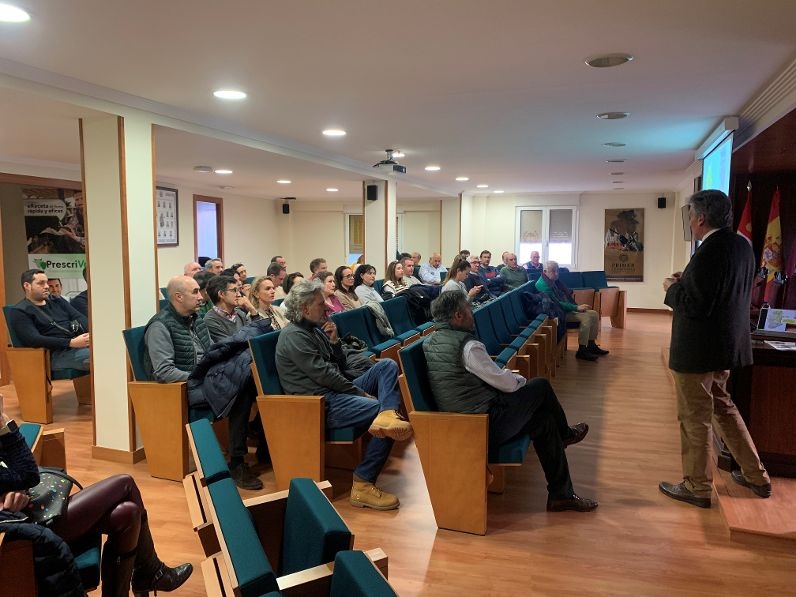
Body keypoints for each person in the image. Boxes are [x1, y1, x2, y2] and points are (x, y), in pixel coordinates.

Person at [423, 291, 597, 512]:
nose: (472, 314)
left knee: (544, 421)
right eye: (469, 309)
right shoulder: (467, 346)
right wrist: (518, 378)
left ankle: (560, 495)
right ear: (458, 315)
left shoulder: (431, 341)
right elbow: (504, 383)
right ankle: (565, 435)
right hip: (481, 424)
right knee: (540, 386)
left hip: (463, 422)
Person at [0, 401, 192, 596]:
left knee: (127, 513)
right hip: (17, 535)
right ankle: (150, 572)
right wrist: (2, 423)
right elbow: (29, 475)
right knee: (125, 483)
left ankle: (147, 574)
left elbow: (27, 476)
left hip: (25, 516)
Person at [659, 190, 771, 508]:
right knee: (724, 408)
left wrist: (672, 287)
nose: (691, 222)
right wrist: (688, 282)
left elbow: (694, 305)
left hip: (698, 350)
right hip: (725, 346)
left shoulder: (709, 251)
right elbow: (722, 292)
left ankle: (696, 486)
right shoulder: (741, 246)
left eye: (691, 216)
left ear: (700, 218)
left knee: (695, 418)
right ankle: (755, 475)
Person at [275, 281, 413, 510]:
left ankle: (388, 413)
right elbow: (327, 376)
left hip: (335, 391)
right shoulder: (294, 337)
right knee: (377, 410)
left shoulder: (313, 330)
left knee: (387, 365)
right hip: (318, 405)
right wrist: (362, 393)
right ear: (305, 309)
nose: (328, 308)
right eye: (321, 304)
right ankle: (363, 484)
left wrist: (335, 342)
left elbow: (339, 366)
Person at [144, 275, 263, 490]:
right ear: (178, 297)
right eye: (195, 292)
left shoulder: (196, 319)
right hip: (183, 389)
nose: (201, 297)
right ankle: (237, 462)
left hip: (205, 379)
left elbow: (211, 353)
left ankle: (264, 446)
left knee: (252, 377)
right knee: (241, 391)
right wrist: (201, 375)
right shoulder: (159, 326)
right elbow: (164, 372)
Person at [7, 269, 91, 372]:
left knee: (109, 349)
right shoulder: (20, 311)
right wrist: (70, 342)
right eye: (41, 283)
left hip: (77, 346)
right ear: (27, 286)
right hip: (54, 354)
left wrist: (89, 336)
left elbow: (79, 317)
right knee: (101, 356)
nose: (47, 286)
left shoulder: (57, 301)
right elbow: (34, 339)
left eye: (46, 282)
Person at [535, 261, 607, 362]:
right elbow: (557, 304)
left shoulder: (552, 281)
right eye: (553, 271)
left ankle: (591, 345)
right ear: (545, 271)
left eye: (557, 271)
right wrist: (576, 308)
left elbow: (564, 297)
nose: (556, 274)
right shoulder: (543, 284)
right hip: (557, 314)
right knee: (586, 317)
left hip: (564, 309)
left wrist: (575, 307)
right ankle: (582, 350)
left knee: (594, 314)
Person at [203, 275, 260, 343]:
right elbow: (230, 345)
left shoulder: (240, 313)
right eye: (234, 290)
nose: (239, 295)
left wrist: (252, 309)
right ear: (221, 294)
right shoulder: (210, 320)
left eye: (238, 290)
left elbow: (258, 334)